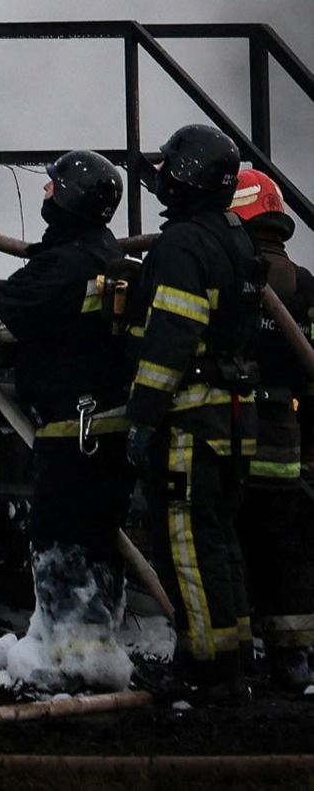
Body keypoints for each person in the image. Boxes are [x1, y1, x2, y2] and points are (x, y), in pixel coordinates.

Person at [0, 150, 135, 690]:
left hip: (70, 436)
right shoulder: (113, 260)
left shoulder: (60, 268)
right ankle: (99, 647)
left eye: (52, 186)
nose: (45, 194)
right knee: (100, 542)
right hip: (112, 432)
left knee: (61, 543)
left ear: (70, 198)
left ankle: (79, 665)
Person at [122, 124, 262, 703]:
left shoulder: (182, 245)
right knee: (218, 539)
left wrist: (143, 415)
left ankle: (202, 668)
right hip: (232, 417)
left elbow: (171, 338)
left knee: (184, 546)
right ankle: (230, 660)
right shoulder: (233, 236)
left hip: (189, 420)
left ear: (188, 179)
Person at [229, 169, 314, 690]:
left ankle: (240, 655)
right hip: (287, 439)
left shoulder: (231, 275)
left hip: (231, 433)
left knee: (230, 545)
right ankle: (295, 659)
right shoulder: (306, 286)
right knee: (287, 549)